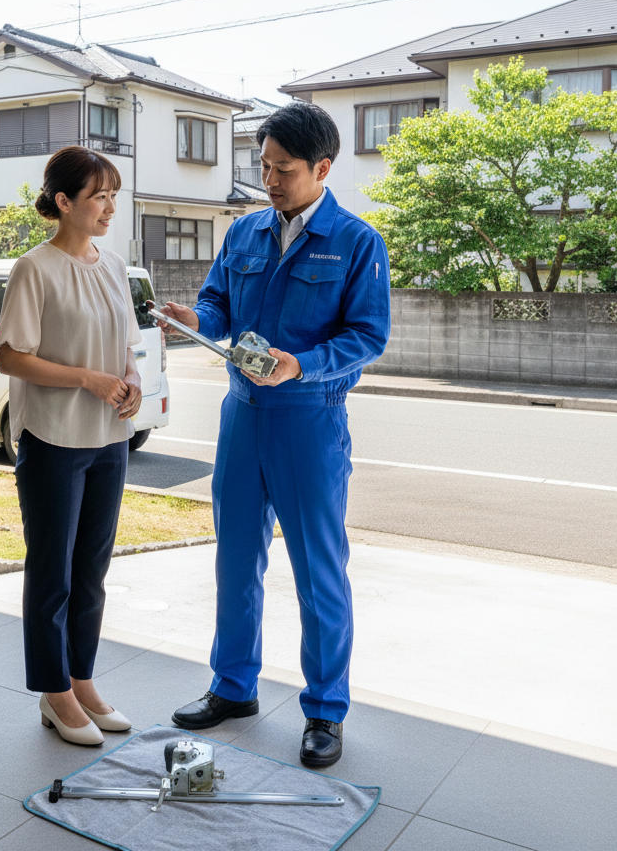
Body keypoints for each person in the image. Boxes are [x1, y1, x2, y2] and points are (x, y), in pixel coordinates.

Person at [158, 102, 391, 767]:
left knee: (319, 571)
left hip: (309, 422)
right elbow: (218, 306)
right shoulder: (245, 234)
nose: (270, 180)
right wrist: (190, 315)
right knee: (234, 559)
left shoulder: (356, 242)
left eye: (283, 169)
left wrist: (302, 364)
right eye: (262, 166)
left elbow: (368, 335)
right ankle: (233, 687)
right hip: (240, 416)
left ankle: (325, 710)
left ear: (322, 168)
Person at [0, 146, 142, 746]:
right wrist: (88, 378)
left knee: (93, 569)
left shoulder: (113, 264)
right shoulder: (34, 268)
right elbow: (9, 355)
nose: (109, 207)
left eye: (113, 196)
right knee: (52, 569)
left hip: (110, 437)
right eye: (98, 196)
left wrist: (128, 381)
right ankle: (54, 693)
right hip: (54, 438)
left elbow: (126, 343)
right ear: (64, 202)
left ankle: (82, 679)